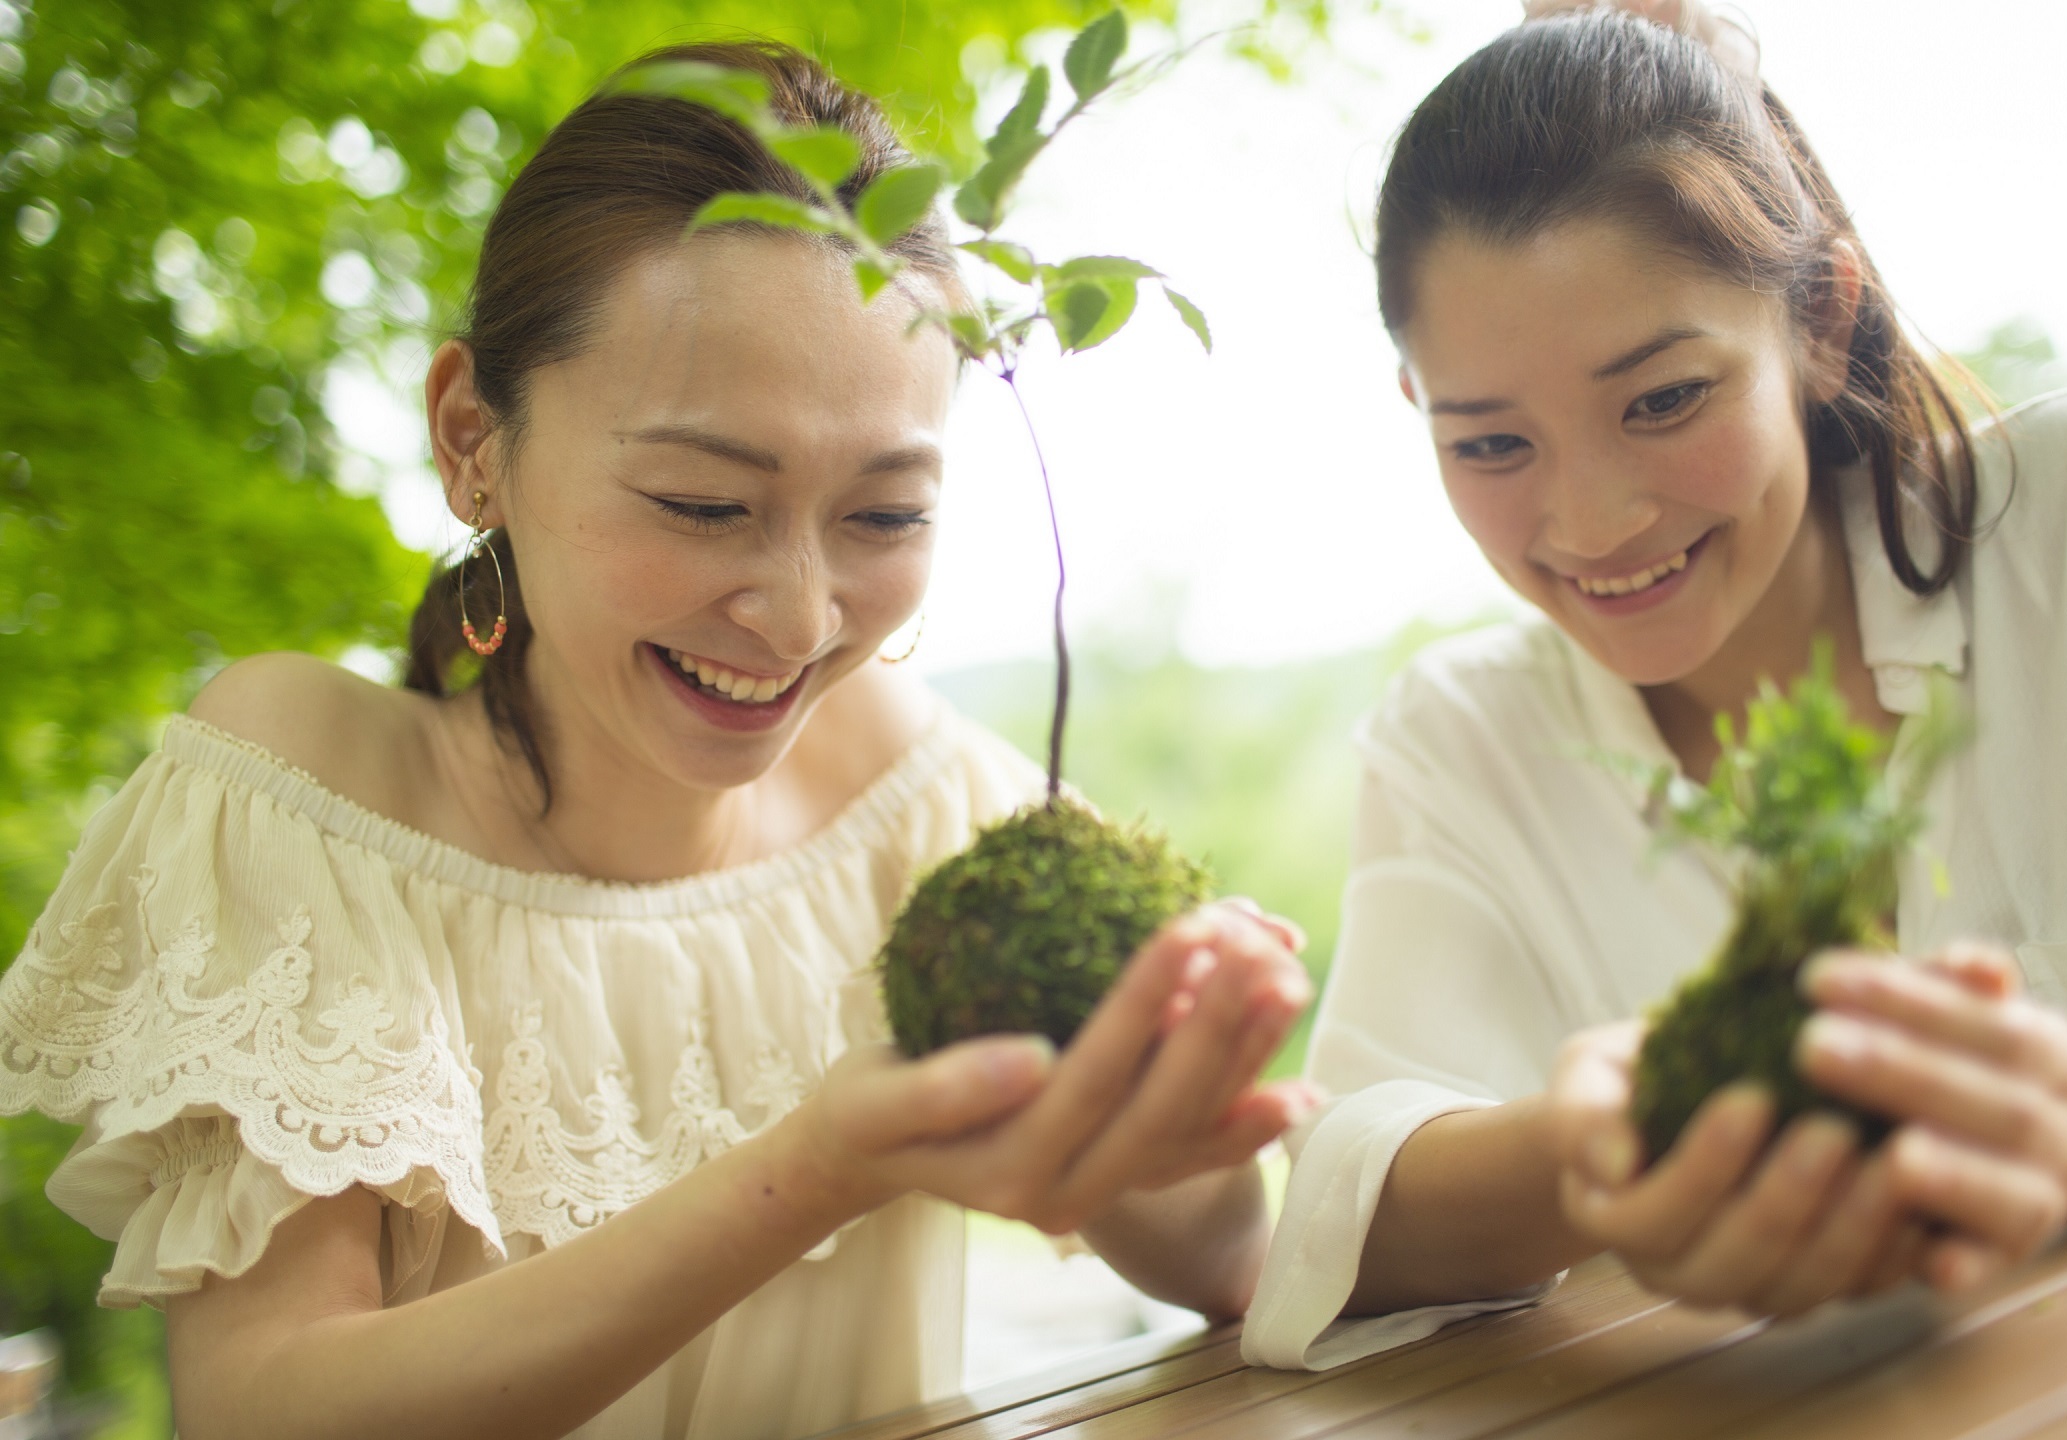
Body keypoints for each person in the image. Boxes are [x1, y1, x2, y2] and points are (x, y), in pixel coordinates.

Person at [0, 42, 1317, 1439]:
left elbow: (1224, 1258)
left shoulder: (913, 800)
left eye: (882, 516)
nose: (800, 614)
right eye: (701, 503)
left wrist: (1169, 1102)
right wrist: (811, 1171)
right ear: (471, 439)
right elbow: (271, 1409)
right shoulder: (314, 796)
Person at [1241, 1, 2067, 1371]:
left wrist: (2058, 1107)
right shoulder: (1461, 734)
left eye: (1664, 399)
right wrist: (1600, 1148)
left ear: (1823, 322)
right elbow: (1353, 1204)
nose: (1595, 519)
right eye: (1492, 442)